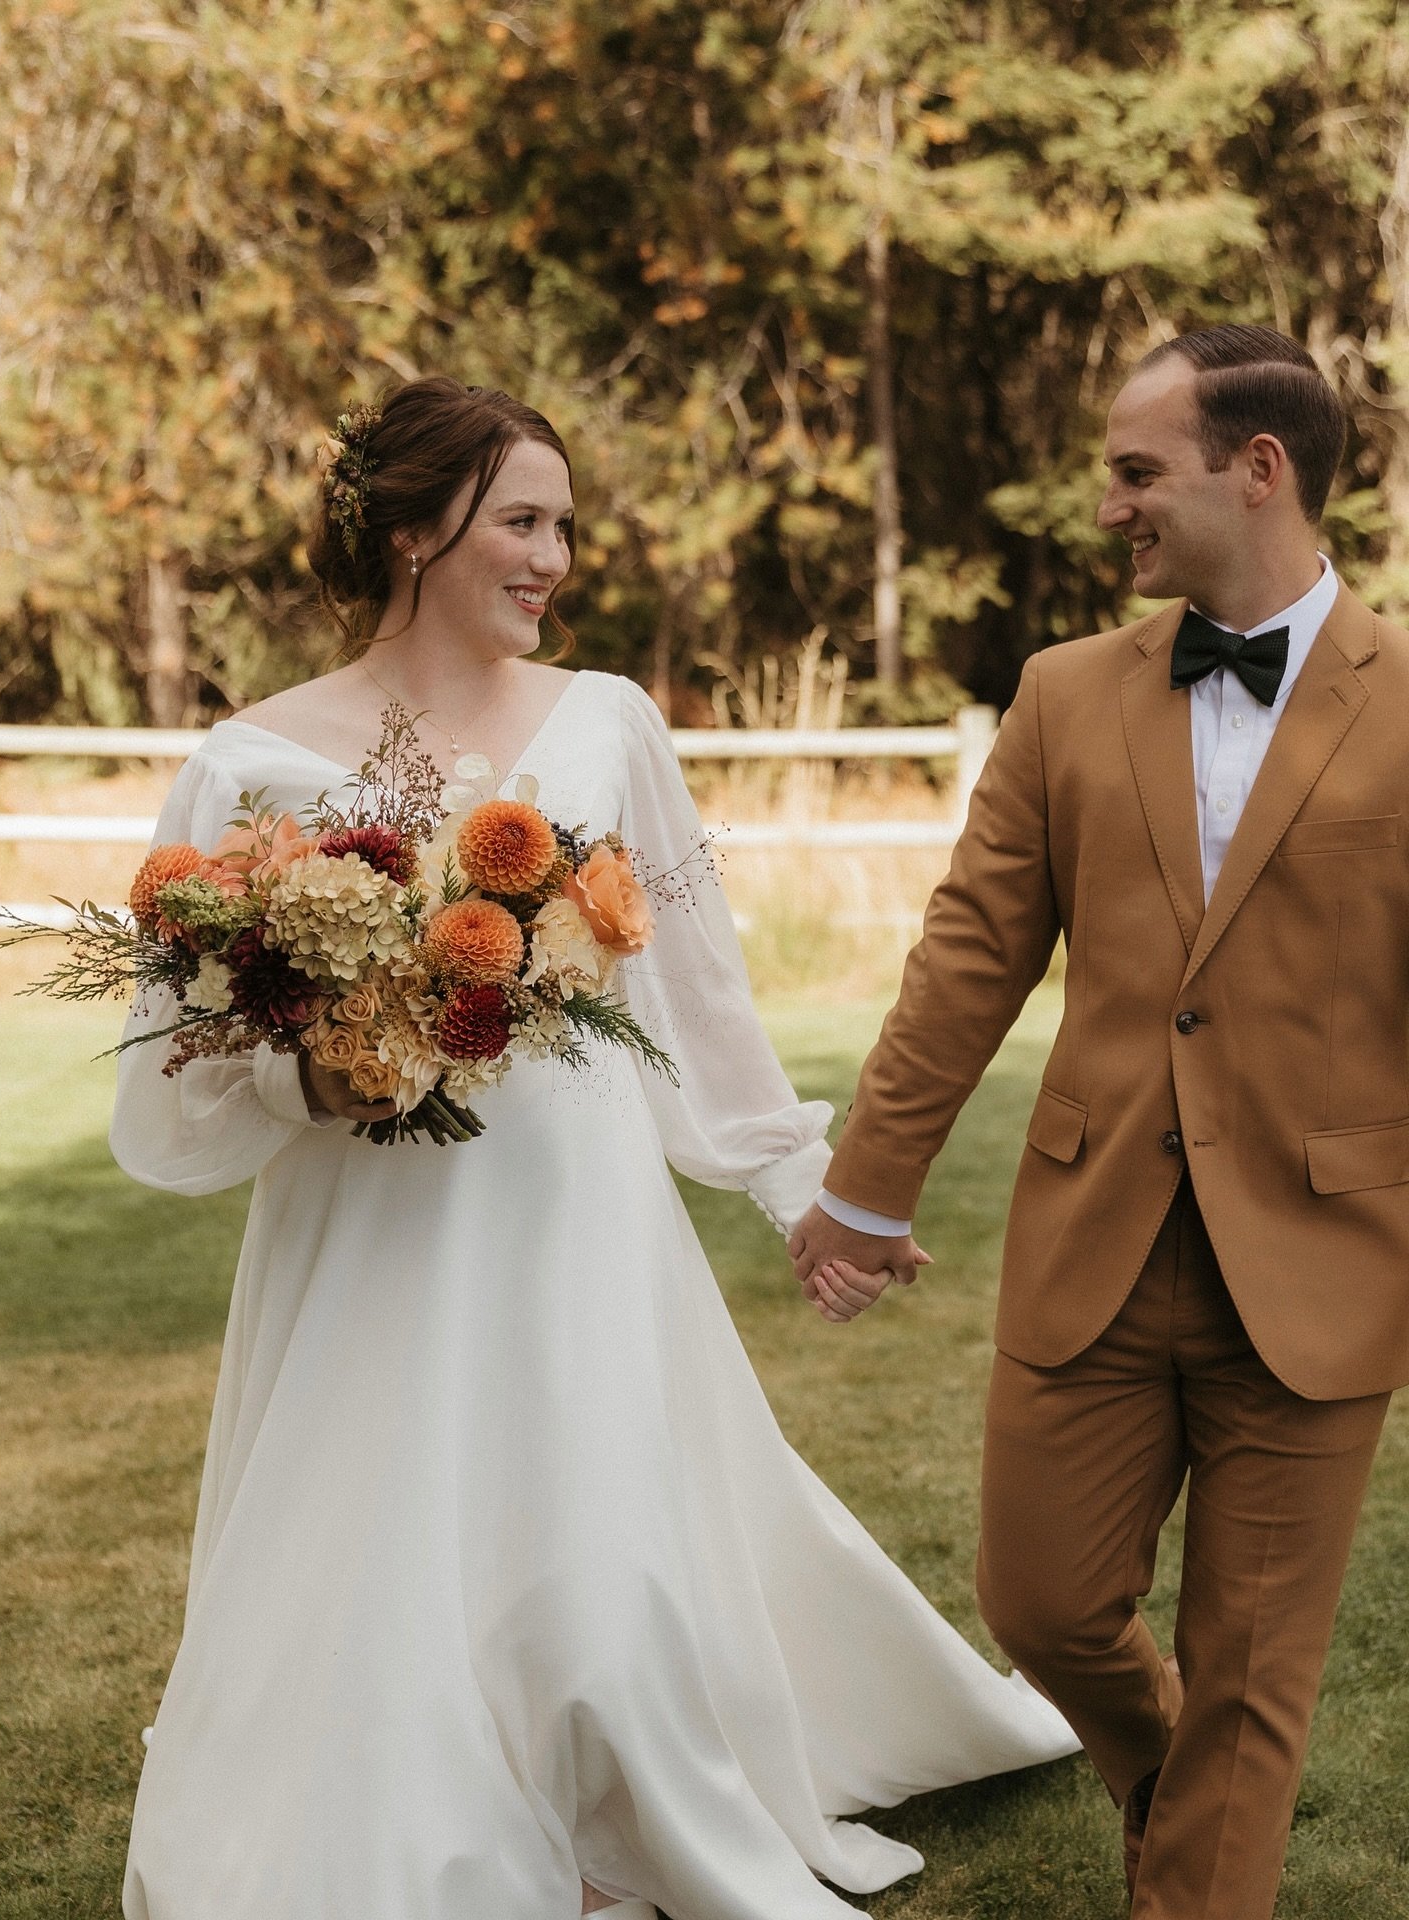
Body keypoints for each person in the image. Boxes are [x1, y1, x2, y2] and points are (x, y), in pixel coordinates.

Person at [109, 375, 1075, 1920]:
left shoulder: (609, 721)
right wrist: (320, 1083)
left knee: (598, 1520)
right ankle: (411, 1795)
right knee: (386, 1512)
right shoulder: (249, 764)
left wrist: (803, 1191)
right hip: (373, 1220)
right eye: (522, 521)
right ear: (415, 530)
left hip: (578, 1198)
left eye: (563, 525)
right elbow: (184, 1057)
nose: (554, 558)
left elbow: (696, 989)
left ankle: (620, 1782)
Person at [790, 324, 1406, 1919]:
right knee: (1042, 1601)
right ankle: (1171, 1779)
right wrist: (867, 1187)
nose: (1111, 504)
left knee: (1255, 1676)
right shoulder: (1064, 695)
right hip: (1097, 1237)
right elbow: (968, 959)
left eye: (1138, 471)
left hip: (1328, 1258)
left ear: (1256, 469)